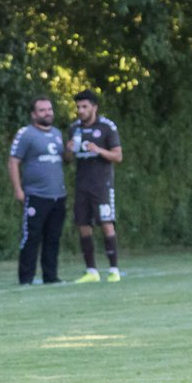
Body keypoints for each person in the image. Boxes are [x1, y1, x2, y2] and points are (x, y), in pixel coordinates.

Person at [66, 89, 124, 283]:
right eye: (78, 107)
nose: (80, 111)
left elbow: (118, 156)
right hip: (82, 185)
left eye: (84, 107)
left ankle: (114, 270)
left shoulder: (107, 127)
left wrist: (98, 150)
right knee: (83, 226)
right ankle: (91, 271)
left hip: (102, 185)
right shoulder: (74, 128)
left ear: (94, 108)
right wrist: (68, 151)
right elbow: (67, 159)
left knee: (106, 224)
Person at [9, 96, 67, 285]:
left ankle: (51, 276)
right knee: (32, 236)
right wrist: (18, 189)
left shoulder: (58, 133)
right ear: (34, 114)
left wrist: (71, 151)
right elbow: (14, 161)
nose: (47, 113)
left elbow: (65, 159)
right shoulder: (26, 134)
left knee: (53, 237)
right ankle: (26, 277)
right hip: (36, 194)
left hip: (58, 195)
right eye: (42, 110)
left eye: (49, 109)